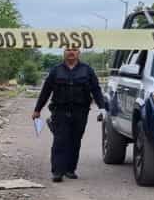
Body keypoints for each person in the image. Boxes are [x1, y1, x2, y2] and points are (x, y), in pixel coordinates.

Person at [32, 46, 106, 182]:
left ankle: (70, 169)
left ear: (79, 53)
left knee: (75, 140)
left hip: (80, 112)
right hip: (60, 111)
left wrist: (102, 108)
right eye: (68, 49)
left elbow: (96, 89)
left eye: (74, 49)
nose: (71, 52)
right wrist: (37, 110)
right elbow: (46, 91)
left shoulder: (87, 70)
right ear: (64, 52)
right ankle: (57, 172)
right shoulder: (56, 70)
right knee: (60, 140)